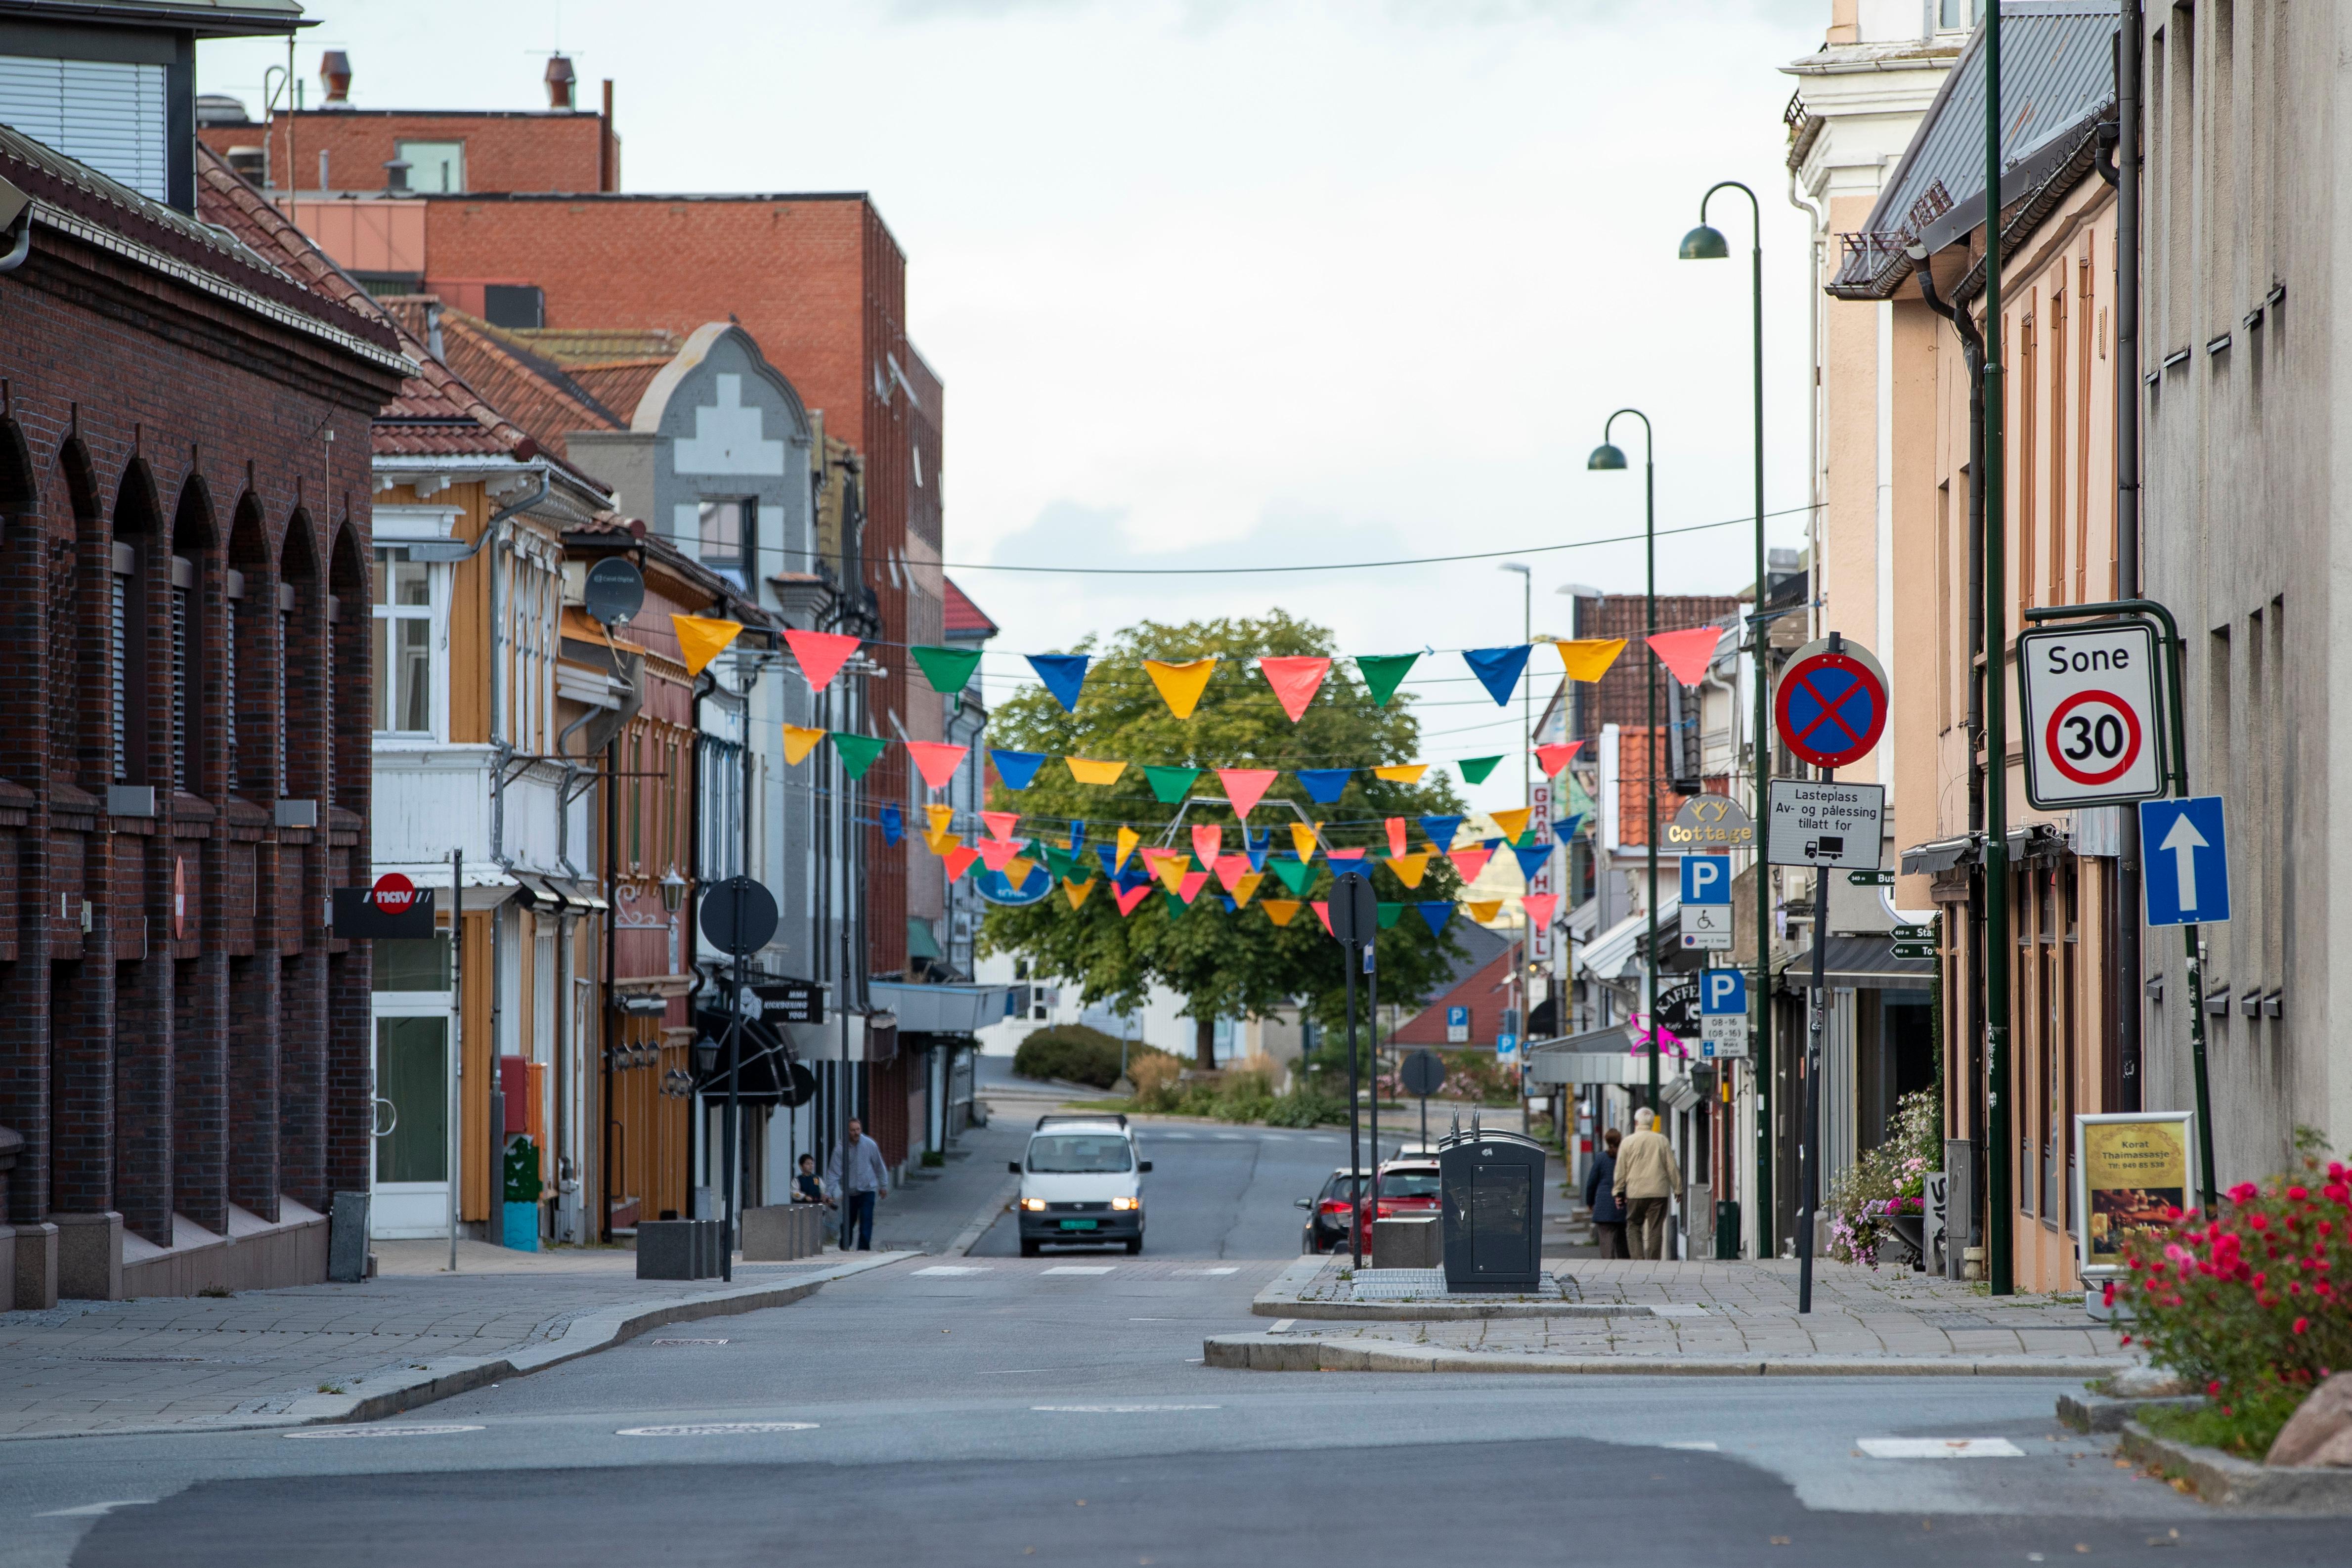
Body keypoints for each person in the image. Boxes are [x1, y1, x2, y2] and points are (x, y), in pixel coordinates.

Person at [1612, 1107, 1677, 1261]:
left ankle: (1638, 1259)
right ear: (1652, 1122)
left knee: (1634, 1225)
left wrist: (1618, 1191)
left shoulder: (1628, 1142)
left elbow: (1621, 1169)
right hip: (1659, 1192)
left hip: (1636, 1191)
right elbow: (1671, 1166)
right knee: (1656, 1228)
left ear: (1636, 1122)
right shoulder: (1662, 1140)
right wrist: (1678, 1188)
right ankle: (1654, 1260)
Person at [826, 1118, 888, 1251]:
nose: (856, 1133)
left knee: (866, 1220)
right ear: (847, 1132)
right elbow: (834, 1173)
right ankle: (844, 1247)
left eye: (858, 1129)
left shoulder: (870, 1145)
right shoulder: (841, 1149)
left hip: (868, 1190)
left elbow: (879, 1166)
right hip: (850, 1192)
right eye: (853, 1130)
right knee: (848, 1222)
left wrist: (883, 1185)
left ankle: (863, 1250)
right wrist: (828, 1193)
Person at [1583, 1127, 1628, 1259]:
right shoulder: (1625, 1158)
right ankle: (1625, 1267)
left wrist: (1590, 1202)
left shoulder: (1601, 1158)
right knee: (1622, 1241)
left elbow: (1592, 1183)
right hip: (1621, 1204)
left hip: (1603, 1206)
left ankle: (1608, 1266)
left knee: (1606, 1242)